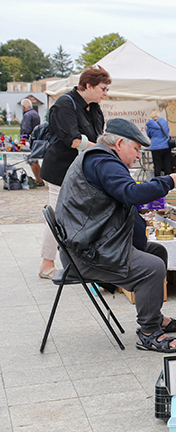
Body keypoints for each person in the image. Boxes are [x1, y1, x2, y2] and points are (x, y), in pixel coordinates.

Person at [54, 119, 176, 353]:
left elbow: (122, 197)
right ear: (119, 143)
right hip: (86, 254)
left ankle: (153, 317)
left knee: (157, 251)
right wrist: (168, 182)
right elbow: (130, 193)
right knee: (152, 266)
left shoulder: (101, 158)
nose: (138, 156)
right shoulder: (103, 161)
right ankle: (149, 333)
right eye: (136, 149)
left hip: (92, 245)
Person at [38, 65, 109, 279]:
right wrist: (100, 148)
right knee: (58, 216)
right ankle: (46, 262)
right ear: (88, 85)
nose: (105, 93)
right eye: (103, 89)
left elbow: (97, 136)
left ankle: (86, 261)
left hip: (81, 171)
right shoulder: (64, 104)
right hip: (59, 170)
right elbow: (73, 140)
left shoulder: (93, 107)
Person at [20, 98, 44, 186]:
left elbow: (25, 129)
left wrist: (22, 140)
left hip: (29, 142)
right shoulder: (35, 114)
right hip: (36, 140)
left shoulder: (27, 115)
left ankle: (39, 180)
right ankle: (40, 178)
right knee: (34, 160)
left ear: (23, 107)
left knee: (31, 161)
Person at [145, 109, 173, 177]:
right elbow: (167, 131)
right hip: (166, 145)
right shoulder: (164, 122)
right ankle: (168, 181)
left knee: (157, 166)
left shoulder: (150, 124)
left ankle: (157, 182)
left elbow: (149, 134)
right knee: (167, 165)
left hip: (155, 147)